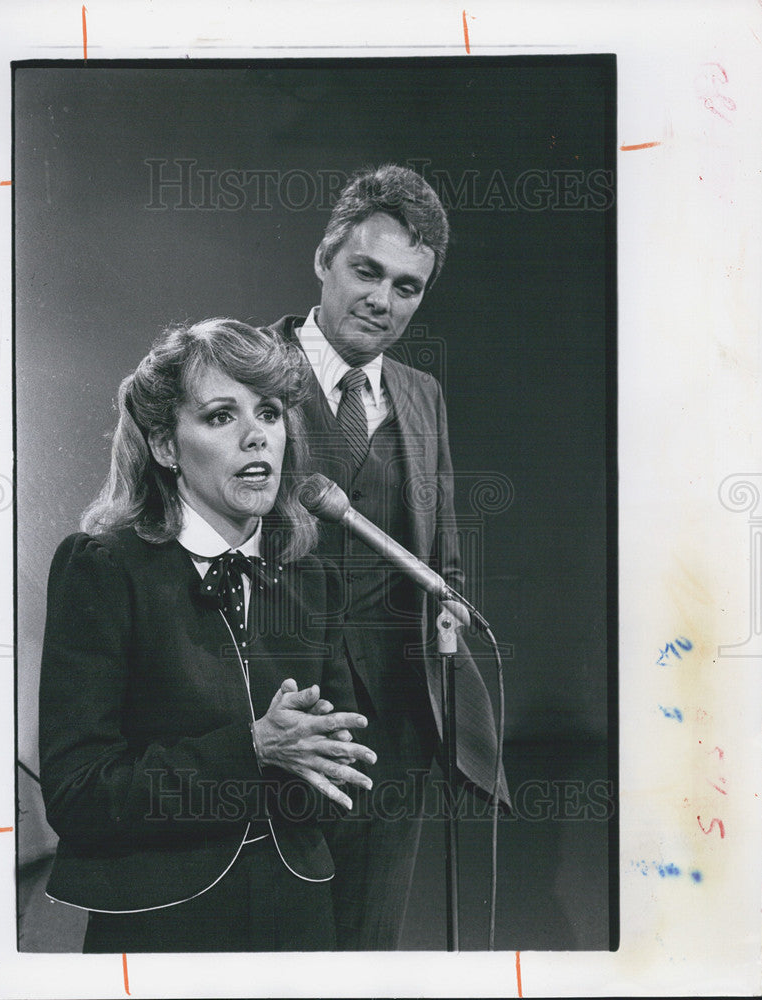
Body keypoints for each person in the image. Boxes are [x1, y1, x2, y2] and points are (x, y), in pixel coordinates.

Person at [38, 318, 376, 952]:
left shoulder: (313, 580)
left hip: (298, 916)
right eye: (222, 416)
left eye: (270, 413)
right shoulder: (103, 570)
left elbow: (338, 774)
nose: (257, 437)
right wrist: (248, 751)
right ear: (167, 447)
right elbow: (78, 793)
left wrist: (318, 768)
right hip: (161, 921)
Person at [266, 164, 512, 950]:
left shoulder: (421, 393)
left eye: (407, 287)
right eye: (366, 271)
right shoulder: (243, 366)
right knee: (270, 949)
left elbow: (438, 547)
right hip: (274, 715)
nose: (382, 299)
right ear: (323, 260)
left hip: (396, 726)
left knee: (368, 948)